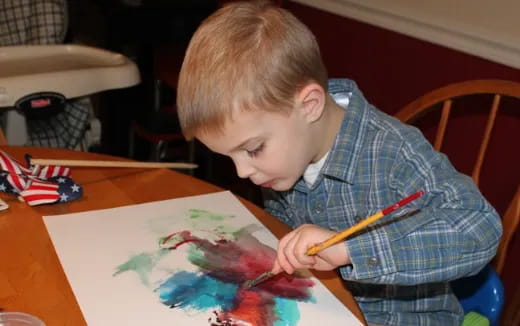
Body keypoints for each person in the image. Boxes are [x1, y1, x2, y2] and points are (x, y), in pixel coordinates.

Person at [176, 1, 503, 325]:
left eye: (253, 149)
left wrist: (351, 249)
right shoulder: (284, 161)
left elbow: (481, 229)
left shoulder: (393, 155)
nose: (242, 172)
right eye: (228, 157)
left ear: (310, 105)